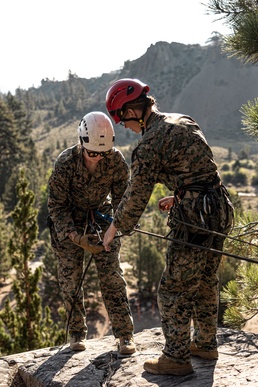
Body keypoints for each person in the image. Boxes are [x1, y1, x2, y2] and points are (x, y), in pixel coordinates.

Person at [103, 79, 234, 375]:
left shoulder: (150, 142)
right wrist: (179, 194)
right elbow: (199, 168)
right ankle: (205, 342)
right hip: (218, 206)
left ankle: (175, 358)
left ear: (133, 110)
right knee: (205, 279)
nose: (123, 125)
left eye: (122, 117)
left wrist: (115, 227)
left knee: (174, 288)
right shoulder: (182, 120)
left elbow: (136, 194)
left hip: (194, 217)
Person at [47, 111, 135, 354]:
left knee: (112, 276)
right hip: (69, 223)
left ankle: (125, 335)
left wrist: (116, 229)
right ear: (82, 142)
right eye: (92, 153)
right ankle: (76, 333)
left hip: (102, 217)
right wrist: (75, 237)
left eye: (102, 153)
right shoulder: (65, 163)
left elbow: (122, 200)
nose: (97, 158)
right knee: (70, 279)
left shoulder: (115, 160)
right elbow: (56, 206)